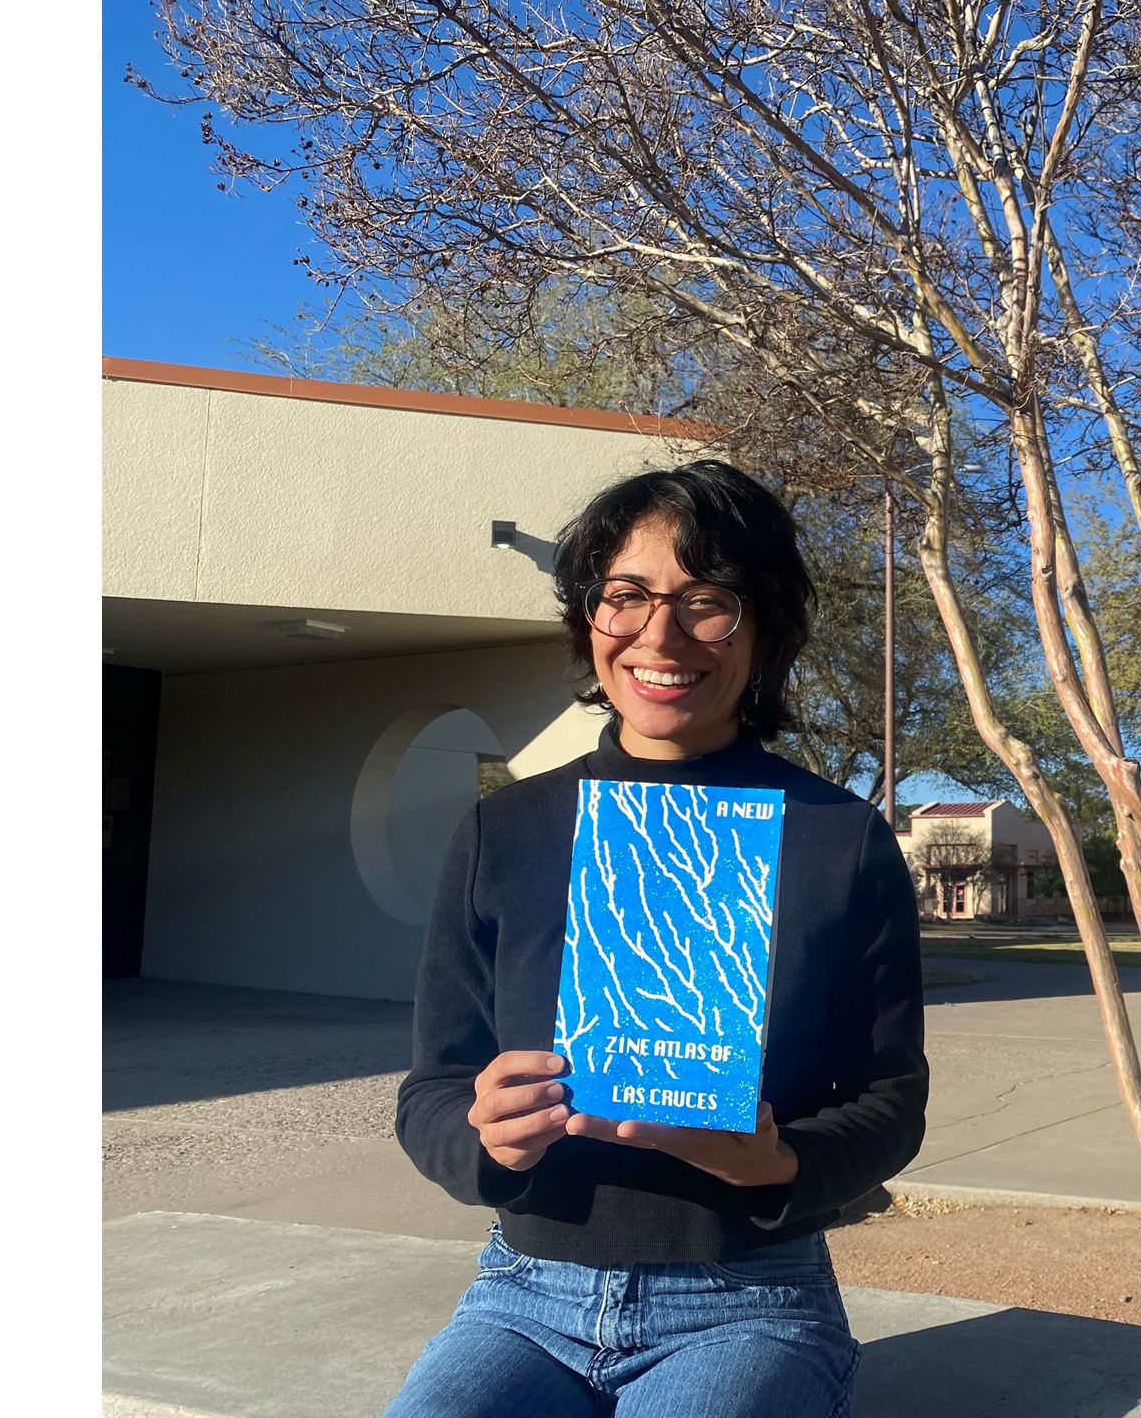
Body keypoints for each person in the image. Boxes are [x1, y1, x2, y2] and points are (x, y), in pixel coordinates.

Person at [382, 459, 928, 1417]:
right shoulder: (503, 833)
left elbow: (890, 1100)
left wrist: (780, 1163)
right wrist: (483, 1141)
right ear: (589, 617)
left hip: (750, 1299)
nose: (660, 635)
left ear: (764, 631)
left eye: (707, 600)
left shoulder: (838, 839)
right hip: (523, 1298)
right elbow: (431, 1087)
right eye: (625, 596)